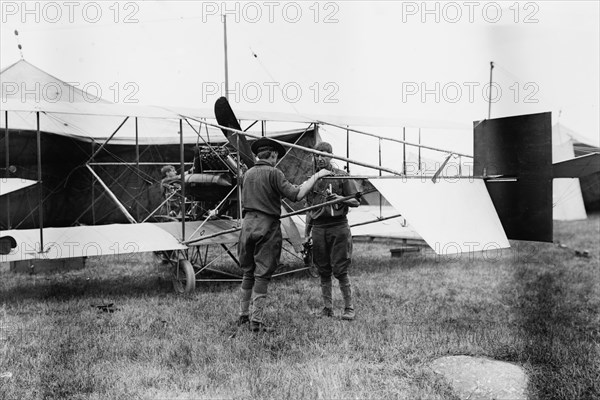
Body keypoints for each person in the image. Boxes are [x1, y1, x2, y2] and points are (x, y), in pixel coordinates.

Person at [238, 137, 331, 332]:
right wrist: (317, 176)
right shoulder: (274, 173)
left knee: (248, 272)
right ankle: (256, 322)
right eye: (276, 157)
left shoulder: (247, 174)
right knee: (262, 274)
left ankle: (243, 315)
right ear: (272, 155)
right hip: (266, 226)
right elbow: (296, 194)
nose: (276, 160)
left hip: (247, 225)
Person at [304, 142, 360, 320]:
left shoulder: (342, 176)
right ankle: (327, 308)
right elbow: (309, 210)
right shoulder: (313, 179)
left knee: (341, 269)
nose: (320, 158)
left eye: (324, 155)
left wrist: (341, 199)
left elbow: (356, 201)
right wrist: (306, 234)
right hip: (319, 228)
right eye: (317, 155)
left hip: (338, 226)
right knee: (323, 270)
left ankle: (349, 308)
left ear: (332, 156)